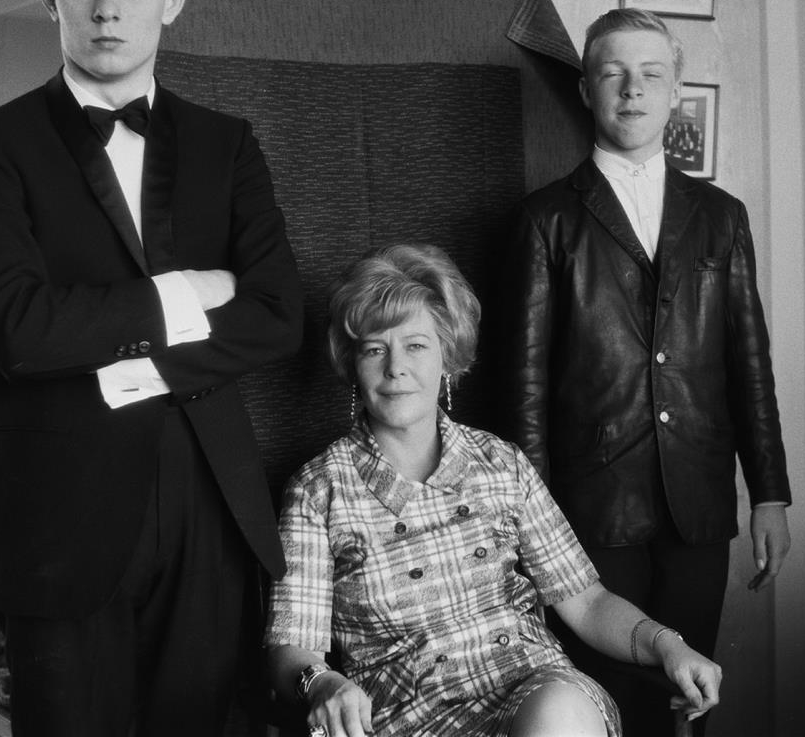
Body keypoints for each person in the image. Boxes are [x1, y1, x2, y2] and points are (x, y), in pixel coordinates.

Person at [0, 0, 303, 737]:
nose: (108, 9)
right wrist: (187, 292)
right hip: (60, 519)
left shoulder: (227, 144)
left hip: (209, 504)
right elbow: (20, 331)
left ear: (171, 0)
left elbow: (276, 315)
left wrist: (119, 370)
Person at [265, 243, 721, 737]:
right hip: (408, 718)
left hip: (535, 693)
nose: (395, 367)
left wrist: (668, 645)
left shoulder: (501, 463)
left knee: (560, 712)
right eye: (375, 349)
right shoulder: (318, 490)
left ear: (447, 357)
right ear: (354, 364)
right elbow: (293, 649)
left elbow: (587, 604)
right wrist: (321, 682)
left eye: (415, 345)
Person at [501, 7, 791, 734]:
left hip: (699, 503)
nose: (632, 89)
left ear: (674, 90)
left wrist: (769, 495)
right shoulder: (546, 219)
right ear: (586, 90)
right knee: (606, 700)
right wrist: (532, 522)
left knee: (686, 701)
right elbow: (525, 384)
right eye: (614, 74)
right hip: (589, 508)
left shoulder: (722, 216)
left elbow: (749, 363)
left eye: (651, 75)